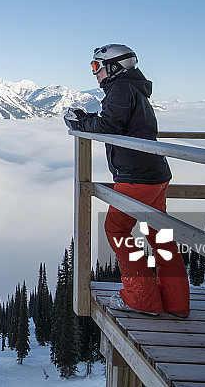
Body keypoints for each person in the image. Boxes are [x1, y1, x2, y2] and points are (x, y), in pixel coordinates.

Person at [64, 44, 190, 318]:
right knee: (160, 235)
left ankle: (142, 298)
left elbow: (110, 126)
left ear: (114, 67)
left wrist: (79, 124)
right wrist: (88, 119)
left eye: (96, 66)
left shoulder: (120, 89)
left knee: (117, 230)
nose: (94, 73)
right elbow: (119, 123)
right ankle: (176, 302)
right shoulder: (134, 88)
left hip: (135, 176)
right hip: (155, 173)